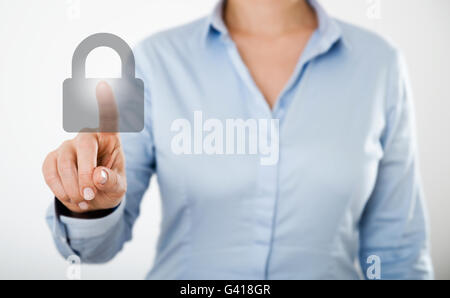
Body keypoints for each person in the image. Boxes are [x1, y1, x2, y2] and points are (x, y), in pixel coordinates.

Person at [43, 0, 434, 279]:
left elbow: (397, 254)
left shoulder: (378, 64)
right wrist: (88, 202)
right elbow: (95, 247)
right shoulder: (155, 60)